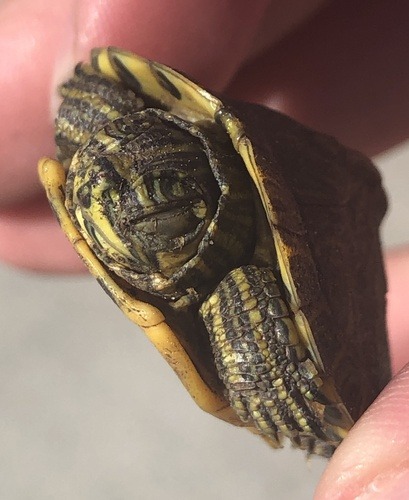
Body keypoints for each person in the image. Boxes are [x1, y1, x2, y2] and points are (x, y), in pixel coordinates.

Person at [1, 1, 408, 497]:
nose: (117, 194)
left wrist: (309, 414)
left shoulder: (238, 289)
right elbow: (90, 99)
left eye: (166, 203)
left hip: (266, 284)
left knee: (250, 327)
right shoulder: (116, 139)